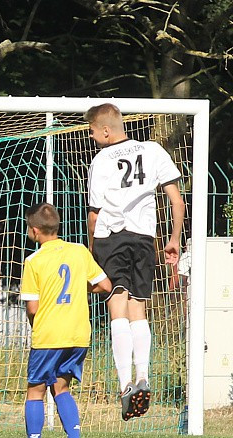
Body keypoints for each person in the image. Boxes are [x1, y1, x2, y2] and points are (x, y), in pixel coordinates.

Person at [84, 103, 185, 421]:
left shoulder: (100, 161)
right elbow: (177, 201)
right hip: (143, 238)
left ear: (104, 130)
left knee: (118, 306)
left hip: (111, 238)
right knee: (138, 309)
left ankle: (125, 384)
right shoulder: (154, 150)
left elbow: (94, 213)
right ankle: (144, 377)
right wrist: (173, 240)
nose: (91, 137)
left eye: (91, 131)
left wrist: (91, 251)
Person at [20, 203, 111, 438]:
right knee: (61, 388)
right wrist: (80, 289)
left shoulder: (34, 261)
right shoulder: (79, 251)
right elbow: (104, 285)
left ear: (35, 231)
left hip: (49, 335)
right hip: (78, 334)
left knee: (35, 392)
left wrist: (36, 324)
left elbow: (33, 308)